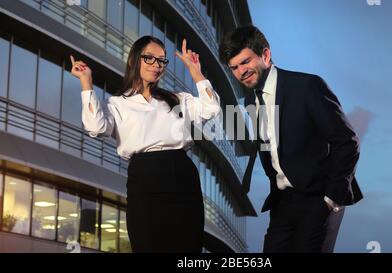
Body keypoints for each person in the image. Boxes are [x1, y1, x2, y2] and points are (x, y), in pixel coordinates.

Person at [219, 25, 363, 253]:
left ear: (265, 55)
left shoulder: (306, 86)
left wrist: (330, 198)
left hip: (317, 198)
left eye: (245, 62)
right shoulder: (254, 101)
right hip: (283, 204)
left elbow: (347, 142)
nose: (240, 72)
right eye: (234, 68)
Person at [70, 36, 221, 252]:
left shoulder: (178, 99)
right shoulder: (117, 104)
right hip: (144, 178)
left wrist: (195, 70)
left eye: (161, 60)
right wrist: (86, 83)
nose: (156, 65)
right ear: (134, 60)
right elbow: (96, 127)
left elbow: (211, 108)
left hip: (182, 178)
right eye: (149, 58)